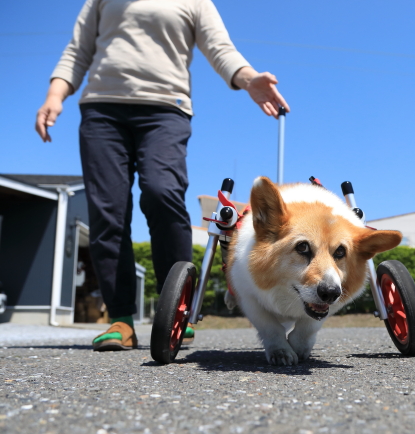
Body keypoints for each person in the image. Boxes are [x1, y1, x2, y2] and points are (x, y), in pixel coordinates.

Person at [35, 0, 290, 351]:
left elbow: (219, 47)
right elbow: (79, 48)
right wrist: (55, 94)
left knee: (162, 192)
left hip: (165, 110)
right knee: (107, 211)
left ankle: (176, 310)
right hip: (102, 110)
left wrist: (249, 80)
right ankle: (121, 318)